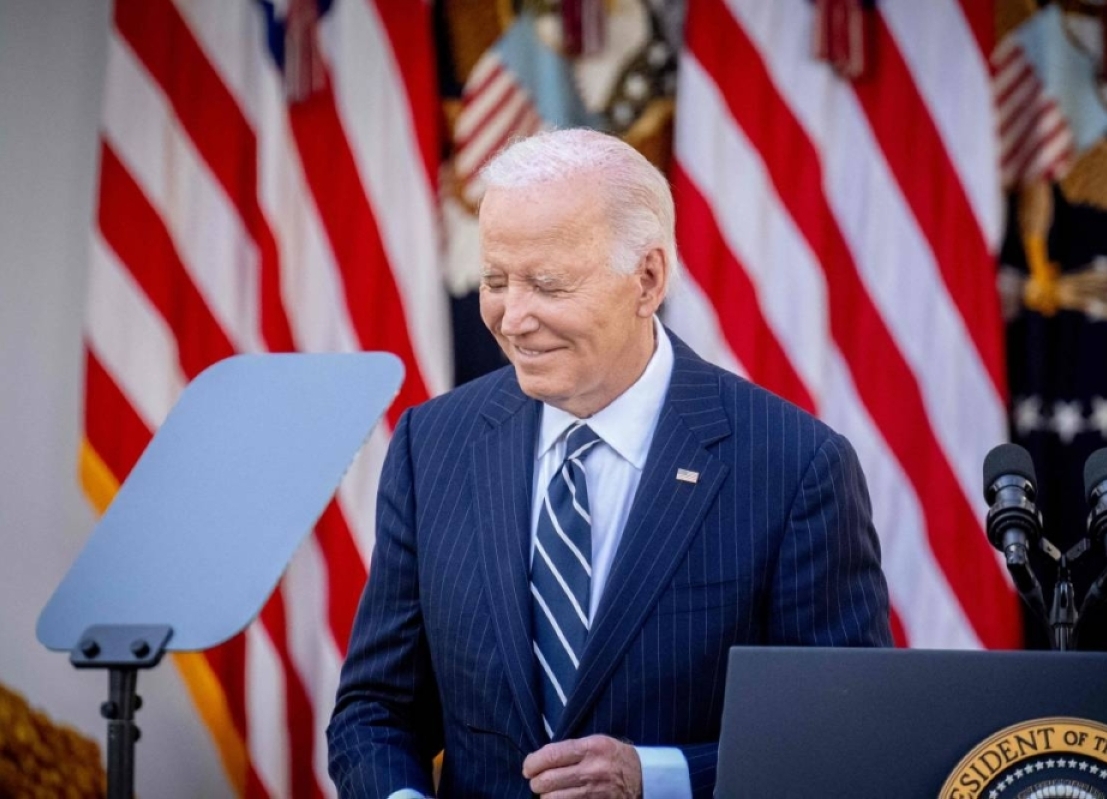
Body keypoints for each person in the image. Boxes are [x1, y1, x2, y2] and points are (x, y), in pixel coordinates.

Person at [327, 129, 891, 799]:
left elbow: (844, 738)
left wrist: (658, 777)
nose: (513, 317)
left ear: (647, 278)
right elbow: (374, 710)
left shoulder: (795, 466)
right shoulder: (433, 444)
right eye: (497, 280)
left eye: (548, 283)